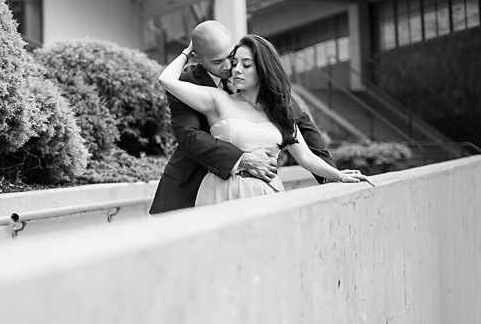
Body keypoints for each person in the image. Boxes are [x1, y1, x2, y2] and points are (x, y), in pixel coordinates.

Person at [156, 33, 372, 206]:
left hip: (266, 195)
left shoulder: (280, 109)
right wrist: (187, 51)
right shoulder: (217, 99)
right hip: (219, 193)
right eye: (234, 62)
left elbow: (306, 154)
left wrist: (337, 175)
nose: (234, 69)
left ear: (263, 69)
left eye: (245, 64)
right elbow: (168, 85)